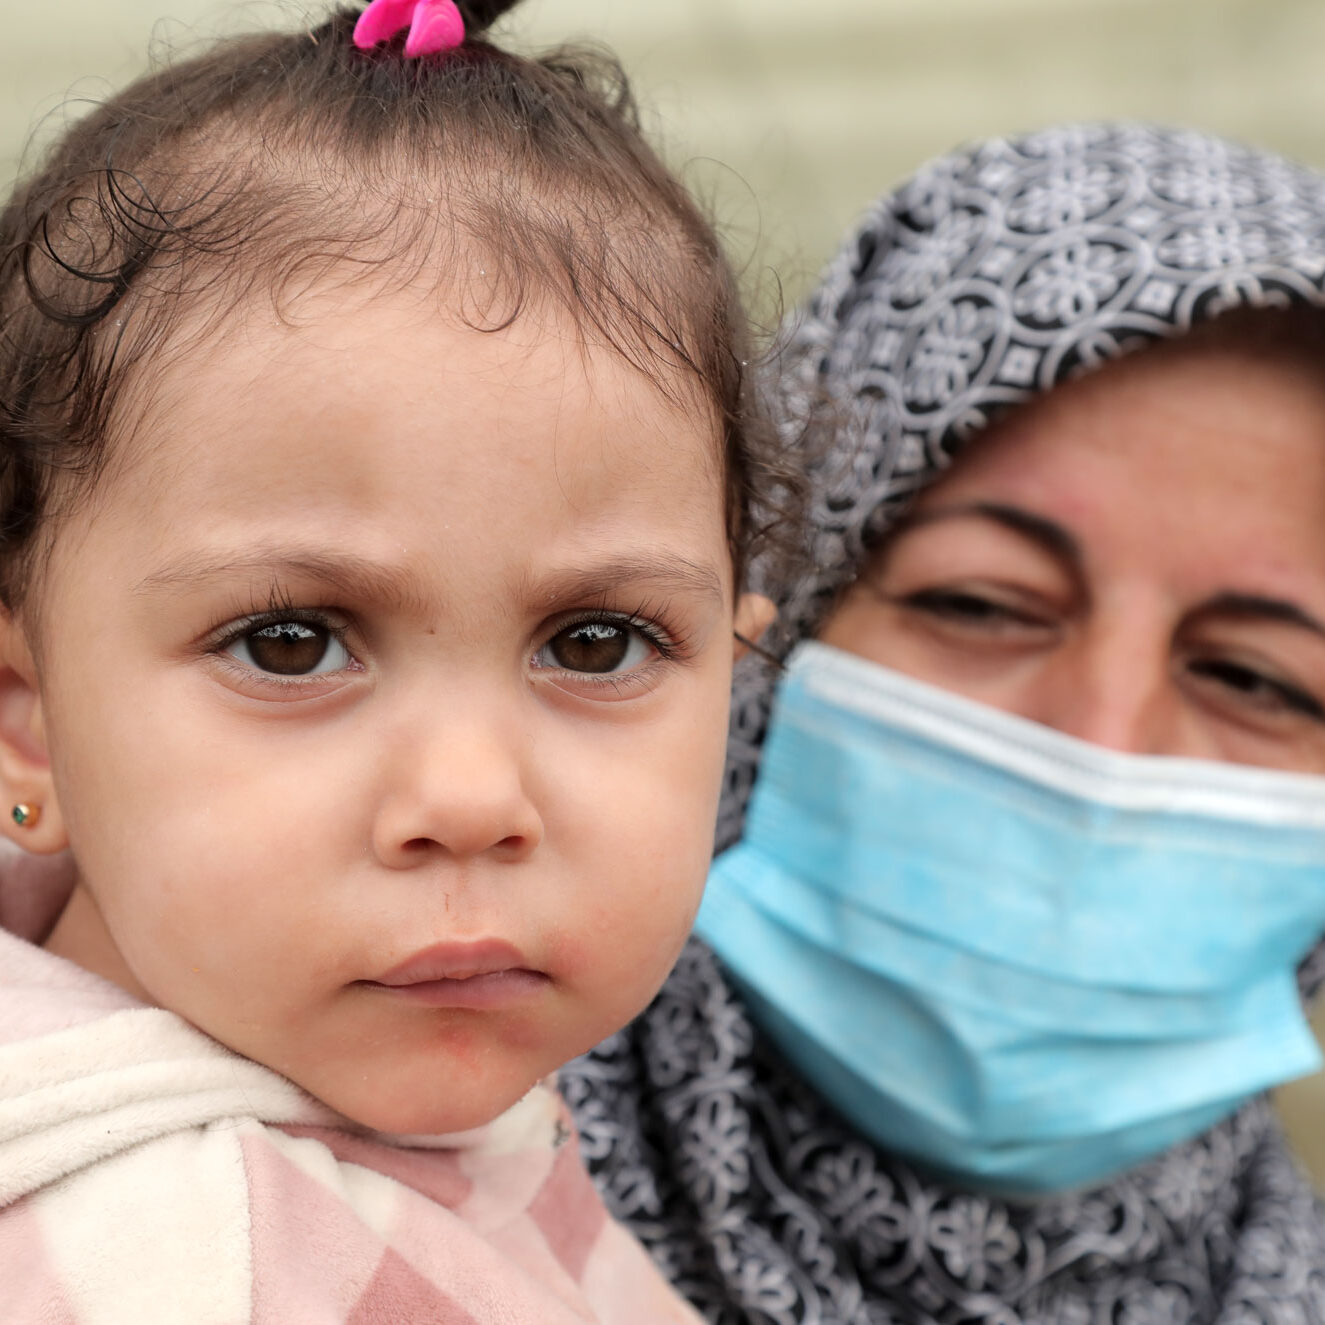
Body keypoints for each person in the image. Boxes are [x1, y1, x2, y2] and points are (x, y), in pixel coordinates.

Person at [0, 2, 784, 1319]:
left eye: (596, 643)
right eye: (290, 642)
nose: (471, 799)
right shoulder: (173, 1254)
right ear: (27, 714)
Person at [563, 123, 1325, 1324]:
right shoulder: (341, 1213)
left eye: (1256, 678)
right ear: (773, 620)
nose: (1100, 747)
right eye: (979, 602)